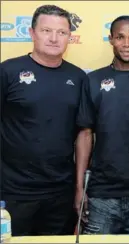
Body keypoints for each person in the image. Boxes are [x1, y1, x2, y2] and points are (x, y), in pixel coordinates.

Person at [0, 5, 87, 236]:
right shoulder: (7, 71)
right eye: (46, 30)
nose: (54, 38)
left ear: (70, 36)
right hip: (12, 193)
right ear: (31, 33)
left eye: (61, 32)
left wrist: (79, 188)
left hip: (60, 194)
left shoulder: (78, 77)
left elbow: (83, 134)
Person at [75, 15, 129, 235]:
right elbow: (85, 134)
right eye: (120, 37)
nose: (127, 44)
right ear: (110, 39)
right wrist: (80, 188)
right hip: (102, 195)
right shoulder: (93, 80)